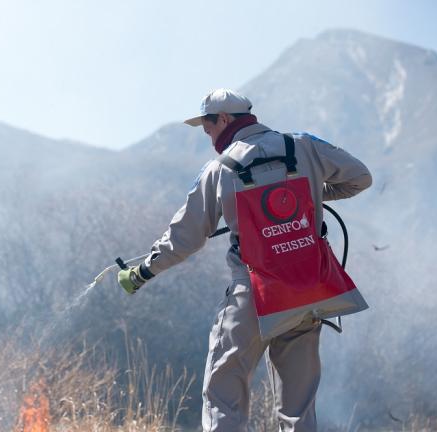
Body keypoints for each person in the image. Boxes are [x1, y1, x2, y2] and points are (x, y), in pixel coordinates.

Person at [118, 88, 372, 431]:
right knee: (298, 408)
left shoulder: (219, 169)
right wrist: (312, 194)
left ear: (223, 120)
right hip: (309, 290)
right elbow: (361, 177)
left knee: (223, 392)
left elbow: (184, 238)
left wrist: (142, 272)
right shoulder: (304, 145)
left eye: (209, 130)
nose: (210, 139)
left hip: (254, 292)